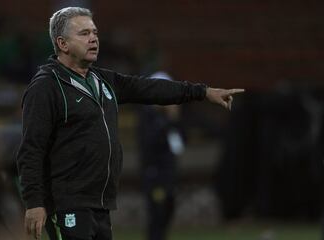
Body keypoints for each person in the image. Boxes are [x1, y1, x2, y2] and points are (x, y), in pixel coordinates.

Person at [16, 7, 244, 240]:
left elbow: (151, 88)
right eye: (84, 33)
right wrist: (34, 202)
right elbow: (31, 149)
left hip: (100, 204)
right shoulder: (46, 87)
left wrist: (203, 92)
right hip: (67, 203)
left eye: (94, 32)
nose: (94, 38)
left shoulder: (103, 80)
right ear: (62, 44)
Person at [137, 71, 184, 240]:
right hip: (154, 173)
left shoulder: (169, 115)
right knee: (157, 213)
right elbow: (150, 143)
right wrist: (169, 121)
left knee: (168, 210)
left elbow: (179, 143)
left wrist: (174, 120)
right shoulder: (147, 116)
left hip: (168, 173)